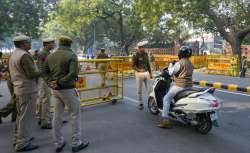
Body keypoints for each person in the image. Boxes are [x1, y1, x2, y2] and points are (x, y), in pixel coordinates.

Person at [43, 36, 89, 153]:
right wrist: (59, 82)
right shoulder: (71, 55)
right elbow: (73, 73)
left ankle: (58, 143)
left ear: (59, 43)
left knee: (57, 116)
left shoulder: (50, 55)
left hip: (55, 90)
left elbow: (44, 72)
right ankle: (76, 143)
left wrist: (51, 82)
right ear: (70, 44)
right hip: (67, 89)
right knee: (74, 115)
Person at [9, 35, 41, 151]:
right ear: (23, 44)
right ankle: (22, 143)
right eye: (28, 42)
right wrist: (43, 70)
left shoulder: (14, 54)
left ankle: (19, 138)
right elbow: (31, 74)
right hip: (27, 89)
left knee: (21, 115)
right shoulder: (24, 55)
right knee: (26, 117)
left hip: (19, 88)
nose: (30, 44)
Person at [158, 46, 194, 128]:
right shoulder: (190, 63)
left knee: (166, 98)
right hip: (189, 86)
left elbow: (170, 72)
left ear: (181, 53)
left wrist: (171, 65)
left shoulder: (180, 63)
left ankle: (165, 120)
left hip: (180, 86)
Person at [36, 38, 55, 129]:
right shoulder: (43, 53)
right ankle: (45, 121)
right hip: (45, 79)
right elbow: (42, 69)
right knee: (46, 100)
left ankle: (42, 118)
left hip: (45, 79)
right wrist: (48, 80)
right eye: (52, 43)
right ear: (47, 44)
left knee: (43, 99)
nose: (54, 45)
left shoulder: (46, 53)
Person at [132, 42, 152, 110]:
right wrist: (139, 70)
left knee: (149, 89)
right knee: (139, 90)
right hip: (139, 74)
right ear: (139, 48)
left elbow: (148, 64)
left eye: (144, 47)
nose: (144, 48)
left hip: (146, 73)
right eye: (142, 47)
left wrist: (150, 73)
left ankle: (151, 103)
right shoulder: (135, 55)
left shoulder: (146, 54)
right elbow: (133, 66)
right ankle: (140, 103)